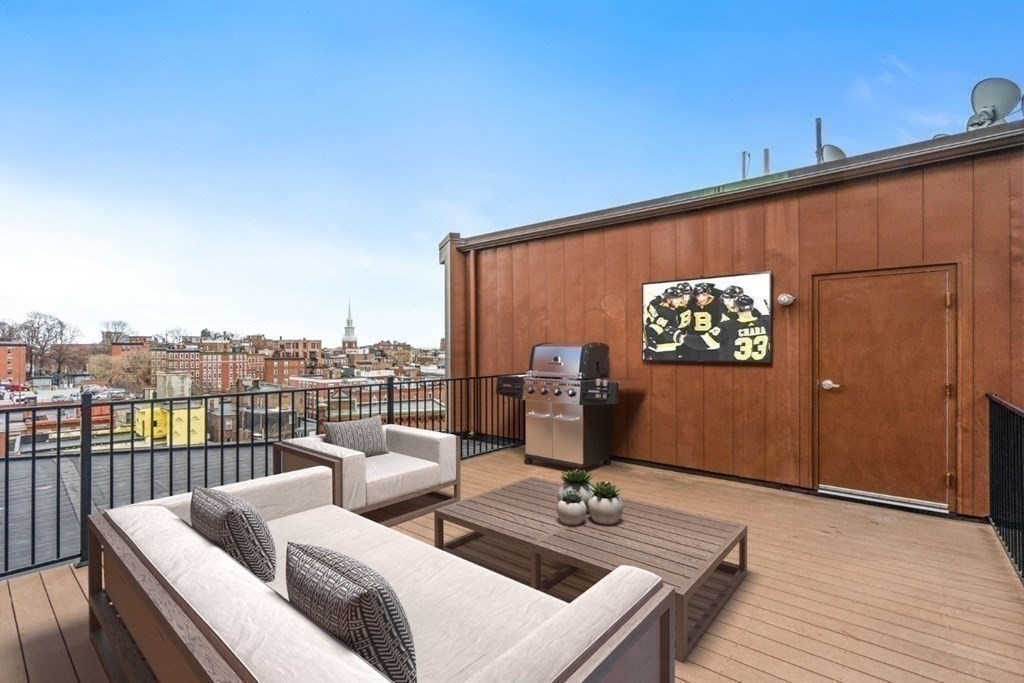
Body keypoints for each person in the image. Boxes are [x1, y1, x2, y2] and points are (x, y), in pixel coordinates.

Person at [718, 294, 771, 362]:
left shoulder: (727, 325)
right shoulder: (767, 321)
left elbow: (705, 342)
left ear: (736, 308)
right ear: (752, 307)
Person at [643, 286, 686, 360]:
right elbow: (654, 328)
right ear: (668, 299)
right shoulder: (670, 313)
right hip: (666, 350)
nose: (679, 301)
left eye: (680, 298)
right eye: (677, 298)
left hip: (657, 349)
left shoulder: (656, 307)